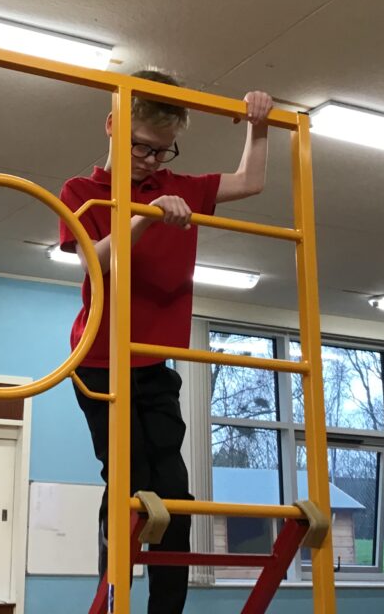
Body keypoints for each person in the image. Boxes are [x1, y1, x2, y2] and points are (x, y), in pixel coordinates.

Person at [58, 69, 273, 614]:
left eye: (163, 150)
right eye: (143, 147)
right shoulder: (82, 192)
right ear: (112, 125)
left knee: (174, 492)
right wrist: (145, 219)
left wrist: (259, 124)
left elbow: (250, 181)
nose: (152, 161)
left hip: (154, 365)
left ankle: (166, 610)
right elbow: (94, 261)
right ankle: (115, 596)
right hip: (101, 360)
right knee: (130, 480)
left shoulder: (179, 188)